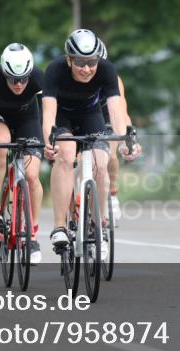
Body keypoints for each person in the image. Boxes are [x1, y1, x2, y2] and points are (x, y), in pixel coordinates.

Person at [41, 29, 140, 259]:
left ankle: (97, 229)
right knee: (65, 154)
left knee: (101, 162)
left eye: (91, 62)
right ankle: (59, 228)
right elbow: (48, 115)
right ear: (69, 59)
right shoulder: (55, 70)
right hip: (62, 116)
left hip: (90, 115)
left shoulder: (107, 70)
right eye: (80, 63)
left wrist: (126, 140)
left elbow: (116, 112)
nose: (86, 68)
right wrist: (49, 141)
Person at [0, 43, 45, 265]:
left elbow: (50, 112)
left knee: (33, 175)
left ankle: (32, 235)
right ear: (4, 72)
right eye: (13, 79)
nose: (19, 84)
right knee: (1, 142)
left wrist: (51, 140)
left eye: (23, 79)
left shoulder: (38, 77)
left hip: (28, 119)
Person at [97, 42, 130, 227]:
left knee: (110, 151)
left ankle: (112, 193)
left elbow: (122, 112)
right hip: (82, 114)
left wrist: (127, 138)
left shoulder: (113, 79)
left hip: (107, 114)